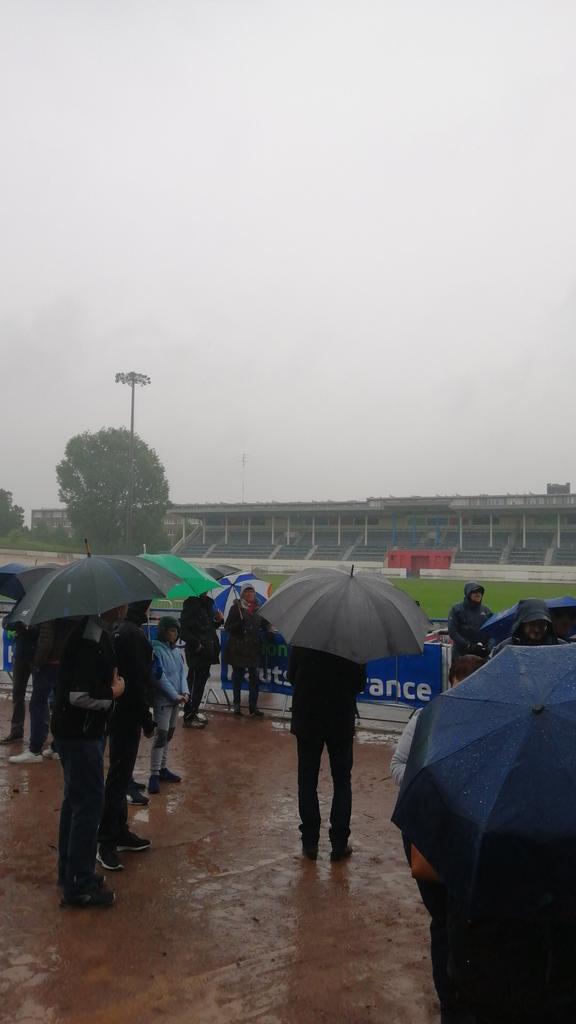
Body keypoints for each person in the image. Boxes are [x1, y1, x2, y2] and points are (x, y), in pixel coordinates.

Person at [391, 655, 486, 1024]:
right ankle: (449, 1000)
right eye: (459, 682)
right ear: (449, 681)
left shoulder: (487, 723)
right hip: (429, 833)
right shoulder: (425, 718)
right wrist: (432, 784)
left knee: (467, 919)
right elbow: (397, 766)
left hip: (468, 835)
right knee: (444, 920)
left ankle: (467, 992)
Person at [51, 605, 127, 909]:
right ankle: (78, 884)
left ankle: (71, 874)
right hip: (80, 736)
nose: (124, 608)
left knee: (76, 802)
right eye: (119, 604)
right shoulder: (88, 639)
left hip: (82, 733)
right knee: (88, 807)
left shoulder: (97, 635)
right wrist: (114, 693)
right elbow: (78, 696)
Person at [287, 645, 366, 862]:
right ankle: (339, 843)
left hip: (308, 718)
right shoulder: (352, 644)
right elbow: (360, 684)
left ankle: (310, 842)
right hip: (339, 719)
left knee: (307, 780)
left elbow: (291, 675)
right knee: (341, 782)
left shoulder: (302, 639)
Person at [96, 601, 155, 872]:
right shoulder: (132, 634)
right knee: (119, 777)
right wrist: (146, 718)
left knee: (120, 776)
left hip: (121, 712)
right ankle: (106, 840)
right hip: (127, 714)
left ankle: (118, 831)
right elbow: (137, 680)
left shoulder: (121, 630)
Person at [9, 618, 78, 765]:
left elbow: (46, 640)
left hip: (49, 663)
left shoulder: (50, 613)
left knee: (38, 703)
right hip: (66, 662)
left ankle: (35, 749)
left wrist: (37, 662)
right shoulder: (75, 611)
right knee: (61, 706)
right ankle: (58, 746)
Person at [148, 616, 188, 794]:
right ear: (164, 631)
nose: (176, 634)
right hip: (163, 701)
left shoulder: (176, 652)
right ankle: (154, 773)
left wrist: (185, 692)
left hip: (176, 700)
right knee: (161, 736)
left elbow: (182, 673)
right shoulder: (156, 651)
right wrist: (174, 695)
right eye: (172, 630)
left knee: (169, 735)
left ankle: (163, 768)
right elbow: (159, 677)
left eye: (176, 631)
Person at [180, 593, 223, 729]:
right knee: (193, 685)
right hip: (196, 653)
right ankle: (188, 716)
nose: (206, 590)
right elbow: (184, 631)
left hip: (208, 652)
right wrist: (196, 644)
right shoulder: (190, 604)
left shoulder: (208, 604)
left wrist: (219, 621)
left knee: (200, 684)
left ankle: (194, 711)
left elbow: (208, 628)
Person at [224, 584, 268, 718]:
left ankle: (253, 706)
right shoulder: (235, 609)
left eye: (252, 592)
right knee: (237, 678)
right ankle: (236, 705)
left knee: (254, 679)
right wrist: (239, 625)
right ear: (242, 594)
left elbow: (264, 623)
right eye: (247, 592)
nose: (250, 594)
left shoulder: (259, 609)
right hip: (238, 649)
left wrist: (269, 627)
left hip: (253, 649)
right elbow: (228, 627)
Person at [0, 623, 38, 745]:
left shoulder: (43, 608)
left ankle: (40, 734)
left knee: (40, 697)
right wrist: (19, 624)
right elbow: (6, 622)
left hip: (38, 657)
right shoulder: (22, 604)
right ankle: (16, 730)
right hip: (20, 656)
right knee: (17, 694)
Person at [490, 599, 565, 658]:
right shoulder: (505, 648)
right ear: (522, 624)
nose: (537, 629)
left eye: (542, 624)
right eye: (532, 624)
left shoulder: (561, 647)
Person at [447, 583, 492, 659]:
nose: (478, 594)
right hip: (461, 655)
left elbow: (491, 631)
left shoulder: (486, 611)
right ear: (468, 594)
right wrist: (469, 645)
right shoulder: (456, 610)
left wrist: (488, 647)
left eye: (480, 592)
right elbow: (453, 632)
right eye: (475, 592)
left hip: (481, 655)